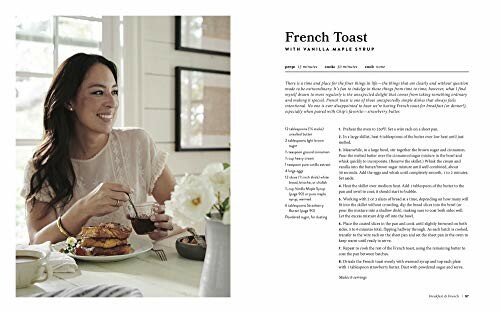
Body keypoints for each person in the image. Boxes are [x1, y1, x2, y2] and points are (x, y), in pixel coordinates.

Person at [21, 53, 182, 244]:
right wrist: (84, 208)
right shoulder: (41, 167)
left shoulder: (138, 143)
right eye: (98, 92)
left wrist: (166, 228)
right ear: (68, 101)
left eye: (114, 92)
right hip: (75, 273)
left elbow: (184, 213)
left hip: (138, 269)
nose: (112, 102)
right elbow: (37, 243)